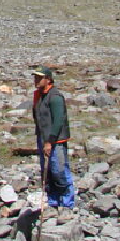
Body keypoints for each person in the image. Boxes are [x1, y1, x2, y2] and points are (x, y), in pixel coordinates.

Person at [32, 65, 75, 217]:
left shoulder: (55, 97)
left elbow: (58, 121)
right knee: (47, 171)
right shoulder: (38, 95)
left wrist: (50, 141)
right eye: (35, 77)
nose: (36, 80)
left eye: (39, 77)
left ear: (48, 79)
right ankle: (53, 202)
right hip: (43, 138)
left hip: (56, 140)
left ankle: (67, 204)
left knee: (60, 170)